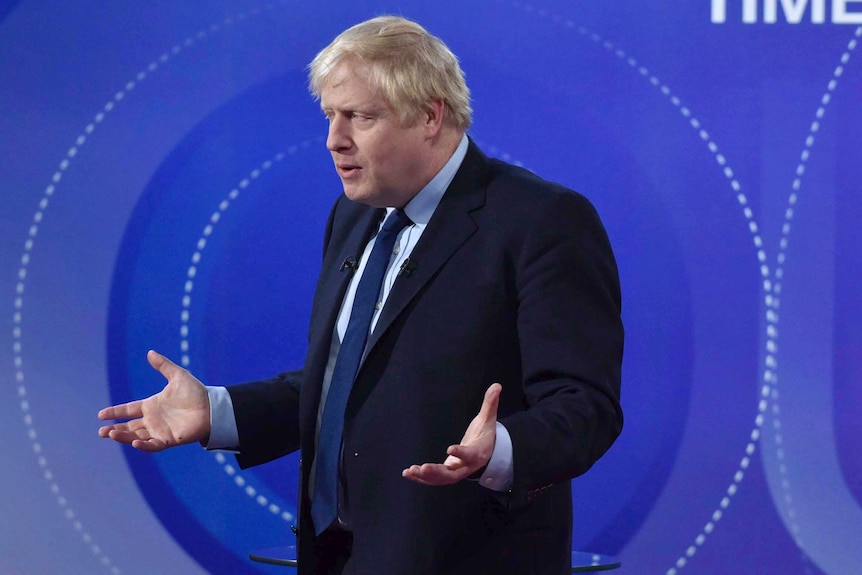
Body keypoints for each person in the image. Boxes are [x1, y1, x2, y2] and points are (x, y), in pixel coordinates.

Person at [98, 15, 624, 575]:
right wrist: (217, 413)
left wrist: (500, 452)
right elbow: (345, 384)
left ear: (429, 115)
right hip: (335, 559)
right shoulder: (353, 217)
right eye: (329, 115)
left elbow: (584, 406)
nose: (334, 140)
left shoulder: (540, 220)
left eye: (360, 117)